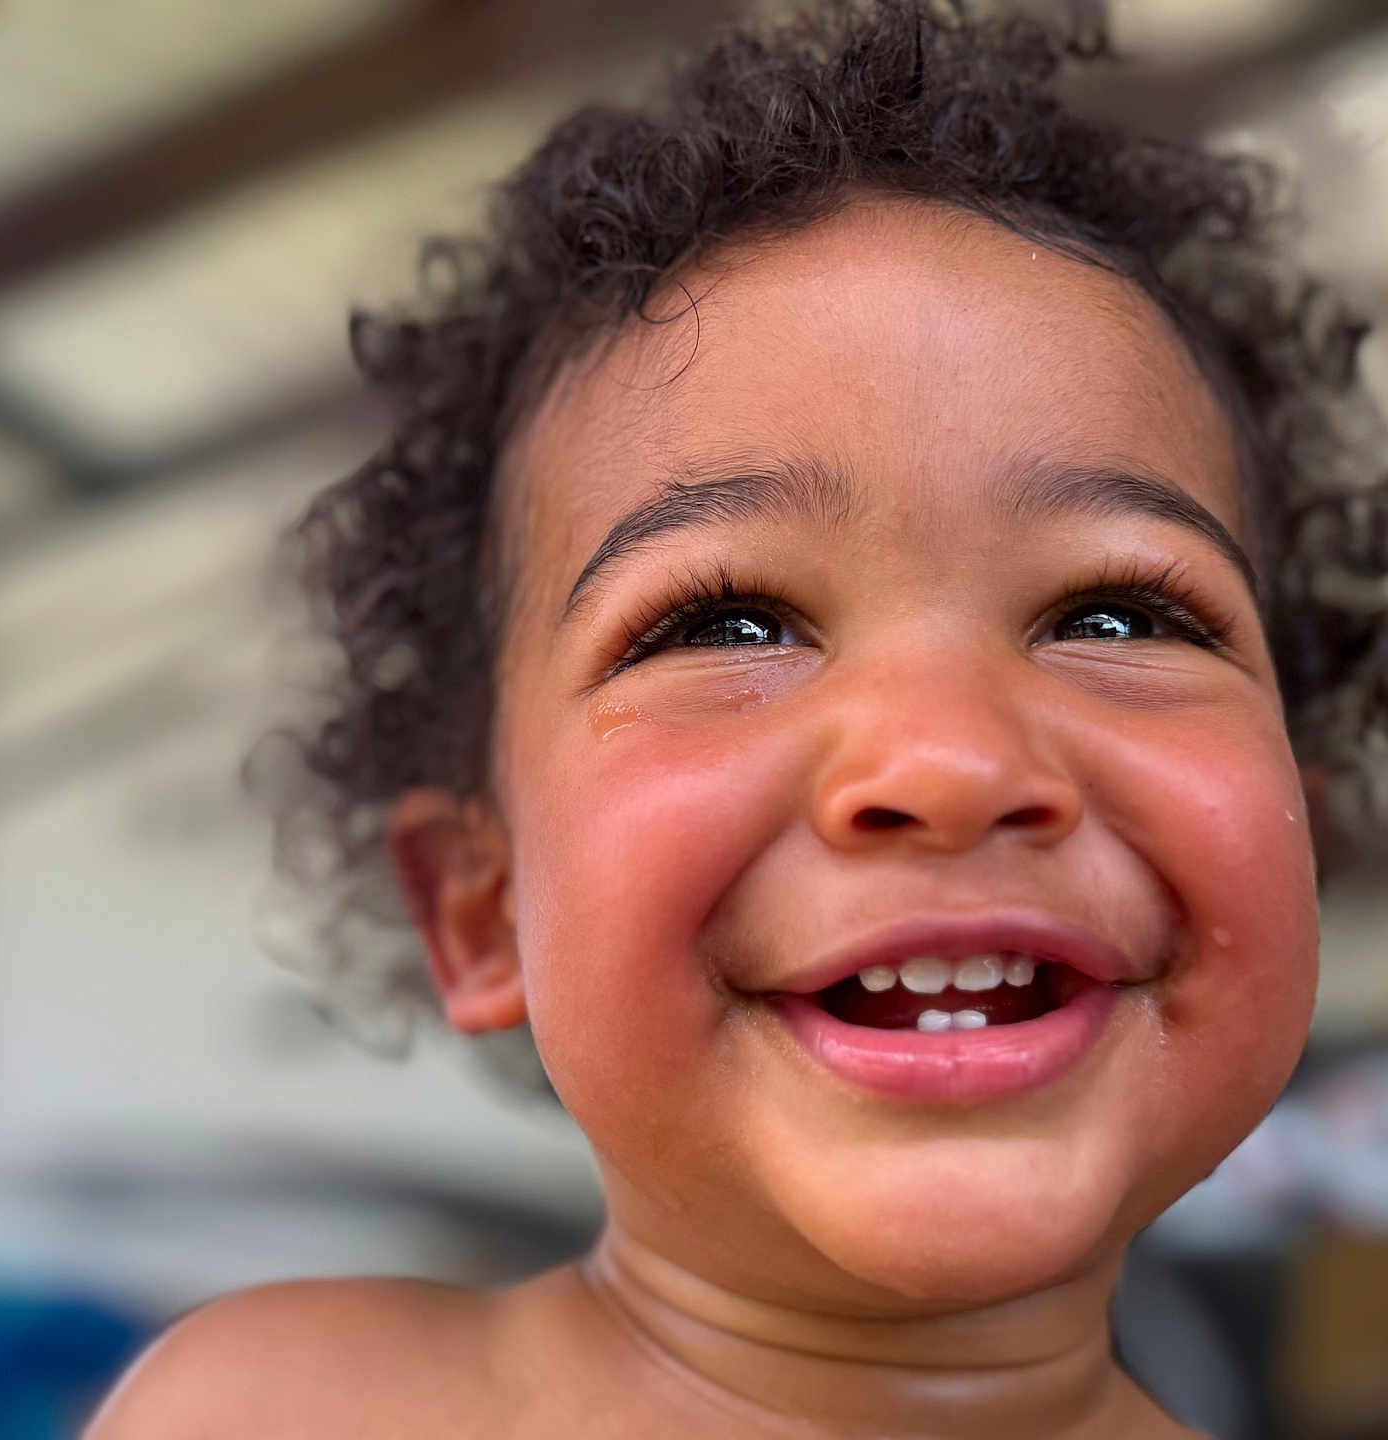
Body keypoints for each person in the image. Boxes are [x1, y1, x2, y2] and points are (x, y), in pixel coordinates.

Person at [87, 1, 1388, 1435]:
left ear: (1301, 831)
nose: (950, 762)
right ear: (481, 905)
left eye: (1118, 616)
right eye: (728, 624)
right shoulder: (282, 1408)